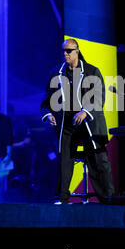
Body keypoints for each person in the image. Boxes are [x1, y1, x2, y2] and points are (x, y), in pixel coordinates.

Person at [41, 39, 114, 204]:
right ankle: (61, 198)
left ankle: (107, 198)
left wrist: (85, 111)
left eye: (69, 51)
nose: (65, 54)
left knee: (98, 160)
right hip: (66, 125)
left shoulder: (91, 71)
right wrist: (49, 114)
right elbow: (47, 99)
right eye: (63, 51)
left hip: (89, 124)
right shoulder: (56, 73)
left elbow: (98, 96)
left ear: (77, 51)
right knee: (64, 161)